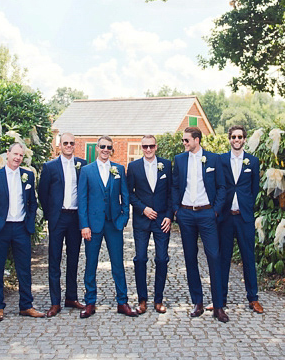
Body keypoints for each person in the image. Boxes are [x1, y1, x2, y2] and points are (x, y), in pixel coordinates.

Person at [0, 142, 45, 322]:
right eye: (15, 154)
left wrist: (29, 222)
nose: (17, 158)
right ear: (7, 154)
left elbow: (32, 203)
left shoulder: (28, 176)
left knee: (24, 269)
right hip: (0, 229)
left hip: (21, 229)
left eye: (21, 155)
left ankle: (26, 305)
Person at [77, 135, 137, 318]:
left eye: (108, 147)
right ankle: (90, 302)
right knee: (91, 264)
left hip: (113, 224)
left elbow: (125, 196)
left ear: (112, 149)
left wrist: (124, 218)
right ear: (97, 148)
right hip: (93, 225)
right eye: (102, 146)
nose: (105, 149)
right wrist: (84, 225)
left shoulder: (118, 169)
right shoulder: (87, 171)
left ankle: (122, 302)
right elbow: (82, 199)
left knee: (118, 264)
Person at [172, 126, 228, 323]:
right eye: (184, 141)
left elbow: (222, 187)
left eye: (187, 140)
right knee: (190, 258)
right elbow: (175, 186)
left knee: (214, 256)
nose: (184, 143)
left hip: (207, 214)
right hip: (186, 214)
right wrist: (176, 210)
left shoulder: (214, 159)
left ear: (197, 140)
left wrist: (215, 211)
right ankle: (197, 302)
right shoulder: (179, 160)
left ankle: (219, 306)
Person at [37, 132, 86, 317]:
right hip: (58, 218)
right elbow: (43, 193)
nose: (68, 145)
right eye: (65, 143)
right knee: (54, 259)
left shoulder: (82, 165)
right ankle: (55, 302)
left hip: (75, 218)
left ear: (75, 145)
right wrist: (51, 214)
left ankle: (71, 297)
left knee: (73, 258)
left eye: (71, 143)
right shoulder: (50, 167)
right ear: (60, 145)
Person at [219, 125, 263, 314]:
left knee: (248, 258)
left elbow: (254, 189)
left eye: (240, 137)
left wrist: (246, 205)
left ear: (244, 139)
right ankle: (220, 300)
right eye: (233, 137)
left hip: (244, 217)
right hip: (226, 218)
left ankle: (253, 299)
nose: (236, 140)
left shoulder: (252, 161)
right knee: (223, 259)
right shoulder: (221, 160)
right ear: (229, 139)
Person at [126, 134, 172, 314]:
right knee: (140, 259)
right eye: (145, 146)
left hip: (162, 220)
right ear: (141, 147)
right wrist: (143, 209)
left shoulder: (166, 165)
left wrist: (169, 216)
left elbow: (171, 192)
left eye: (151, 146)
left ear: (156, 146)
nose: (148, 149)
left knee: (162, 258)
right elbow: (130, 194)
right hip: (142, 220)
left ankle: (158, 300)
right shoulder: (134, 167)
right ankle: (142, 299)